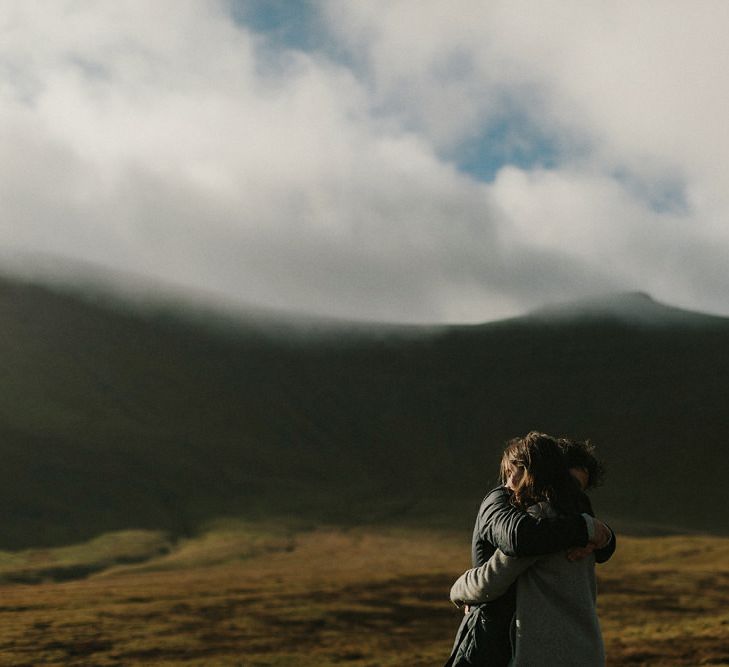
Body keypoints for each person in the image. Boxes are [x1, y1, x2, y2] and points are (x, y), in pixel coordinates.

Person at [450, 433, 611, 666]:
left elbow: (493, 576)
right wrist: (597, 532)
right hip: (587, 653)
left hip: (542, 654)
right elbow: (519, 537)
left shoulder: (542, 519)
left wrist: (458, 588)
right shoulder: (583, 527)